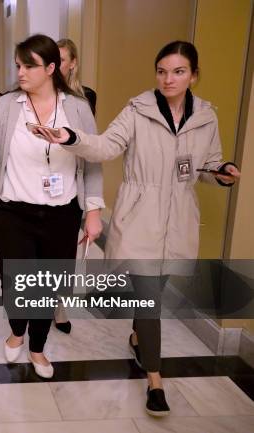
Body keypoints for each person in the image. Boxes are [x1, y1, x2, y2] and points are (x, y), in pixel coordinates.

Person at [44, 41, 241, 417]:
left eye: (179, 71)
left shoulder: (206, 117)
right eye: (162, 71)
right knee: (149, 300)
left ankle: (136, 339)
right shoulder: (138, 110)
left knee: (154, 296)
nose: (169, 79)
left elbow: (207, 167)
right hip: (139, 217)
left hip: (180, 218)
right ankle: (155, 380)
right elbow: (104, 147)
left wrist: (223, 174)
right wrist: (72, 138)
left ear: (193, 76)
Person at [0, 34, 105, 379]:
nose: (20, 72)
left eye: (29, 66)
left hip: (62, 213)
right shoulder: (8, 105)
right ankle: (16, 330)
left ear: (52, 68)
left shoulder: (78, 107)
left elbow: (94, 158)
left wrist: (94, 210)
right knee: (16, 281)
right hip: (12, 211)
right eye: (18, 65)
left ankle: (37, 348)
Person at [57, 38, 97, 115]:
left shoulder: (87, 95)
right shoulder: (43, 94)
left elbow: (87, 126)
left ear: (72, 63)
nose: (56, 64)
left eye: (61, 60)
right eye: (54, 59)